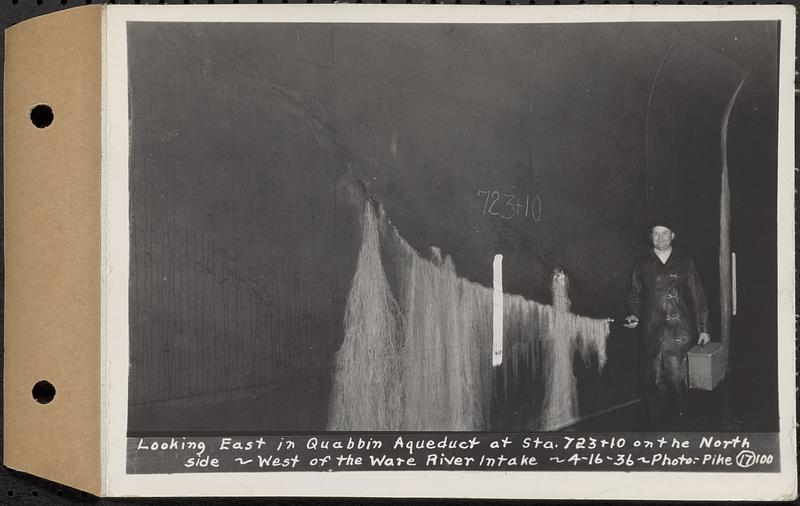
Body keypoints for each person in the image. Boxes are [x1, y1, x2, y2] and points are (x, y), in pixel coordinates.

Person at [624, 219, 710, 428]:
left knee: (679, 379)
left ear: (673, 236)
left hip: (681, 330)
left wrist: (704, 329)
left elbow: (698, 297)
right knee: (652, 379)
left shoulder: (686, 262)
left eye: (665, 233)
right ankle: (656, 431)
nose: (660, 237)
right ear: (650, 237)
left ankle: (684, 425)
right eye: (656, 234)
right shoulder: (642, 263)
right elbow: (635, 295)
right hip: (652, 329)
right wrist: (633, 315)